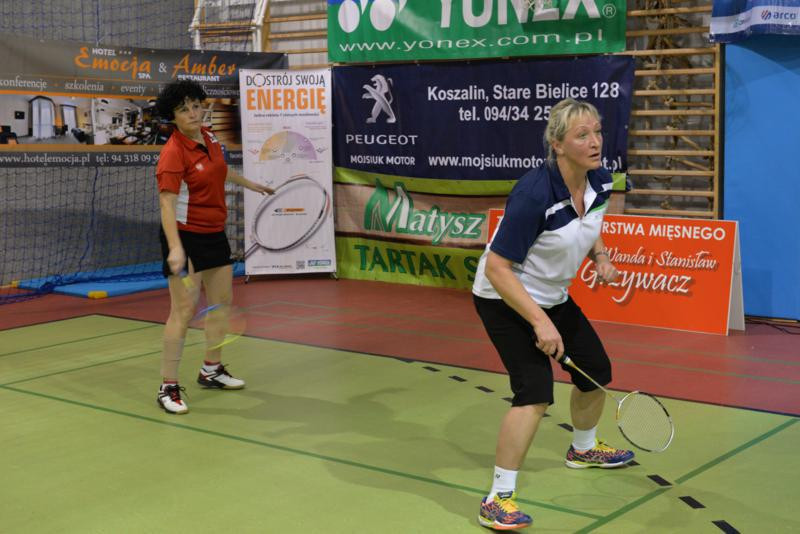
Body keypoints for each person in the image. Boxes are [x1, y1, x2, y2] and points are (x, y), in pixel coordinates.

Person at [471, 98, 633, 530]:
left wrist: (601, 257)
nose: (595, 141)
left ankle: (583, 449)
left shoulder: (600, 180)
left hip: (553, 296)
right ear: (557, 145)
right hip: (503, 297)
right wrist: (539, 322)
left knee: (595, 371)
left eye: (597, 131)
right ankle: (497, 498)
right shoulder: (534, 194)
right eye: (582, 135)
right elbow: (498, 267)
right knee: (535, 391)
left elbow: (590, 225)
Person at [154, 80, 273, 414]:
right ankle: (167, 386)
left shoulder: (209, 137)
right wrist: (175, 248)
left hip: (213, 232)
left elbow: (219, 171)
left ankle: (211, 370)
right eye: (183, 110)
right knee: (183, 311)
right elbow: (166, 204)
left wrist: (251, 184)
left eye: (195, 106)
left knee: (221, 304)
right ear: (172, 117)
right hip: (184, 235)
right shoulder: (173, 153)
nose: (193, 113)